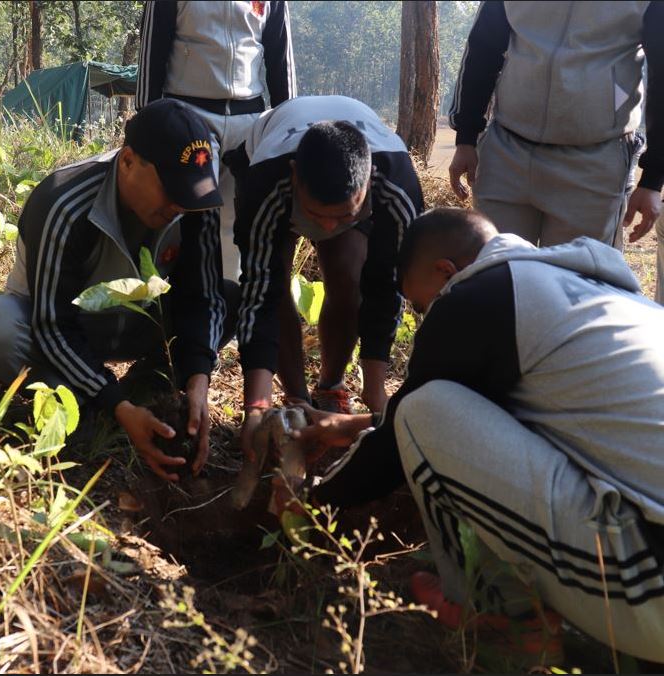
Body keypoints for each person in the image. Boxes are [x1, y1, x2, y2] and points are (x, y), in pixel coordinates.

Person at [297, 208, 664, 663]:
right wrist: (361, 425)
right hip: (648, 551)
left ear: (446, 273)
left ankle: (497, 613)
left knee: (420, 411)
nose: (426, 315)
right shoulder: (587, 290)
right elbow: (509, 413)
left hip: (650, 587)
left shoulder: (474, 298)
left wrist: (307, 506)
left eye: (421, 305)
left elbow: (400, 438)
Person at [0, 99, 232, 482]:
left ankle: (149, 389)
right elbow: (52, 325)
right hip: (64, 331)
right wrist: (116, 405)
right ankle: (80, 402)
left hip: (142, 325)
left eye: (191, 193)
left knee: (232, 299)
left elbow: (204, 297)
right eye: (171, 189)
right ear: (127, 161)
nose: (180, 205)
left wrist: (197, 381)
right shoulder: (64, 202)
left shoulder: (191, 205)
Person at [225, 95, 422, 460]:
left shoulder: (397, 187)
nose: (326, 228)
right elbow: (259, 295)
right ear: (296, 175)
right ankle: (297, 400)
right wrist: (255, 407)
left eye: (343, 217)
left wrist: (376, 396)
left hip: (351, 178)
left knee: (349, 275)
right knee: (276, 285)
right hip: (267, 155)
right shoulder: (267, 182)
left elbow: (385, 286)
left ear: (368, 184)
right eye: (317, 215)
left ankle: (331, 389)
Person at [448, 1, 663, 248]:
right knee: (496, 275)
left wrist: (653, 179)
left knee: (577, 282)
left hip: (595, 165)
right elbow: (483, 48)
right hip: (506, 154)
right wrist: (466, 137)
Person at [137, 0, 297, 281]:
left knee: (236, 221)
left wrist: (291, 127)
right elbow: (153, 47)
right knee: (184, 215)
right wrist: (148, 121)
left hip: (249, 119)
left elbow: (279, 56)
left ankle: (227, 305)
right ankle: (169, 302)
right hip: (189, 116)